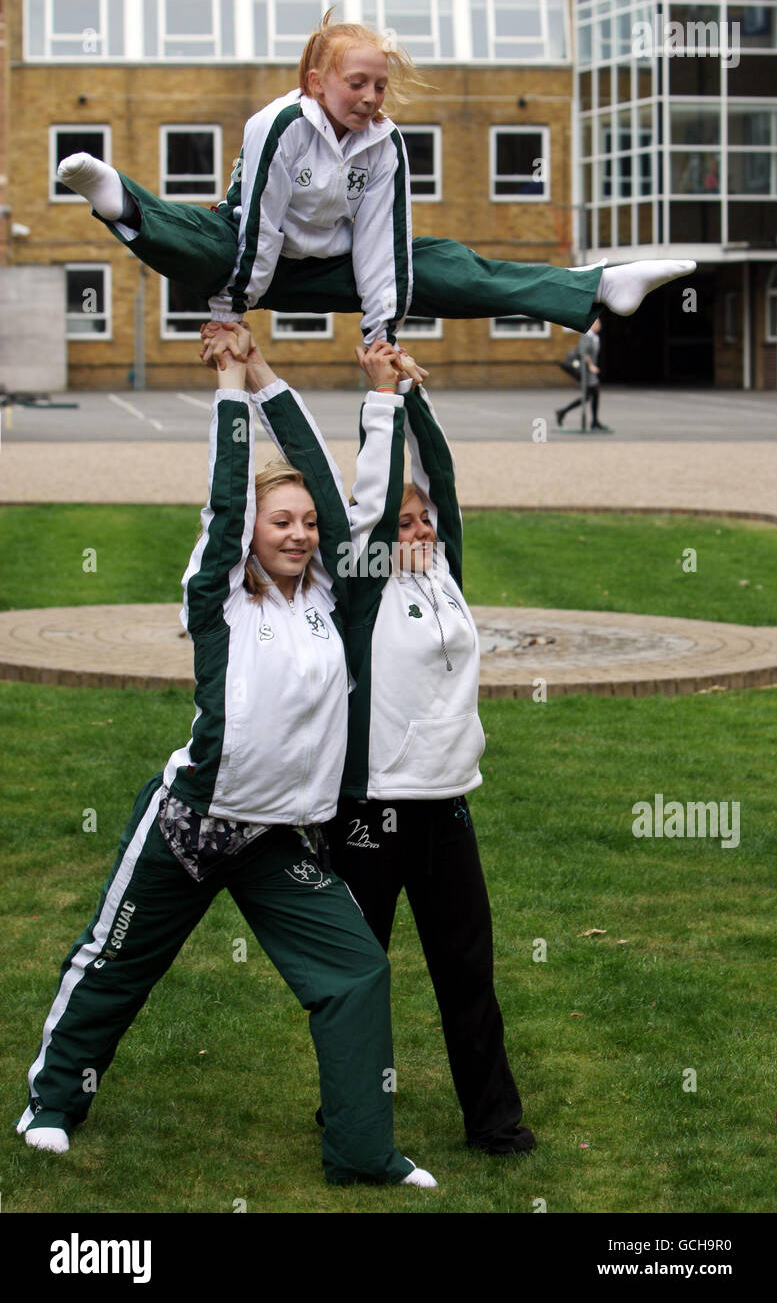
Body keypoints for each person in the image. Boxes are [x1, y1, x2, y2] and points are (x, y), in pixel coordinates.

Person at [16, 328, 436, 1189]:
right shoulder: (217, 601)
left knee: (356, 972)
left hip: (277, 837)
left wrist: (276, 376)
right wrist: (231, 394)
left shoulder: (336, 596)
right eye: (281, 522)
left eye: (308, 525)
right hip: (189, 823)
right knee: (115, 961)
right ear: (252, 533)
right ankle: (52, 1103)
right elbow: (222, 500)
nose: (299, 533)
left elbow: (336, 482)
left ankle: (363, 1153)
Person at [242, 327, 536, 1155]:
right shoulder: (360, 589)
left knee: (467, 978)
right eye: (399, 522)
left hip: (447, 813)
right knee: (355, 978)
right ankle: (347, 1109)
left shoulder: (445, 573)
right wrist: (374, 402)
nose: (412, 530)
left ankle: (496, 1125)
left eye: (420, 522)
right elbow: (359, 501)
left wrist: (412, 392)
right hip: (368, 817)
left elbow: (438, 474)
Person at [55, 12, 695, 358]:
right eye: (355, 84)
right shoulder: (277, 126)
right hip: (251, 252)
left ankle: (601, 282)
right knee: (200, 250)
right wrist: (228, 313)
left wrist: (380, 333)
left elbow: (379, 240)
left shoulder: (385, 141)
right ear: (316, 84)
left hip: (334, 265)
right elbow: (260, 226)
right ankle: (120, 198)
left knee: (449, 269)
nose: (369, 97)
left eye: (379, 85)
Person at [555, 317, 608, 431]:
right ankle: (564, 412)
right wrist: (591, 366)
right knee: (591, 395)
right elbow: (582, 353)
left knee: (590, 396)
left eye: (599, 322)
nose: (599, 325)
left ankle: (564, 412)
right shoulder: (587, 337)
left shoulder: (595, 338)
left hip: (589, 372)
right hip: (585, 371)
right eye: (596, 323)